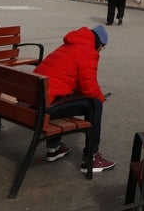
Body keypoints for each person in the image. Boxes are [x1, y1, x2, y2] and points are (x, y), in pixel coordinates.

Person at [33, 25, 115, 174]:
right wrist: (101, 98)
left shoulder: (69, 45)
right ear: (99, 43)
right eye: (102, 48)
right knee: (95, 105)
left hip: (32, 101)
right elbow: (89, 87)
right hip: (44, 107)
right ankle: (91, 158)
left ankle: (54, 148)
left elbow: (72, 81)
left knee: (68, 96)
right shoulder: (87, 51)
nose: (100, 51)